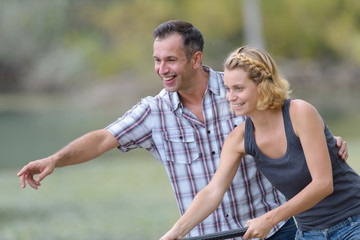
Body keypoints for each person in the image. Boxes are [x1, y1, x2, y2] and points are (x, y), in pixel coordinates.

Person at [17, 20, 348, 239]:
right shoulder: (153, 112)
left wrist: (323, 142)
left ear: (194, 59)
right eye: (157, 60)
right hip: (208, 234)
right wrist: (55, 160)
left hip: (275, 230)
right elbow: (103, 138)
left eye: (170, 60)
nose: (162, 69)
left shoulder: (240, 90)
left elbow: (289, 124)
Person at [160, 46, 360, 240]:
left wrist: (269, 219)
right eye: (228, 89)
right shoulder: (238, 139)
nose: (231, 97)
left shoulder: (300, 113)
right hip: (309, 233)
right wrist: (176, 232)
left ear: (263, 85)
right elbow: (213, 191)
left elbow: (323, 184)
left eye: (239, 88)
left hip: (353, 222)